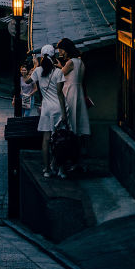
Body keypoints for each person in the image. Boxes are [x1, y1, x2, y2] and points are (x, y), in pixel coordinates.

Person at [56, 38, 90, 170]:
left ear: (66, 49)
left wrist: (59, 67)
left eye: (61, 50)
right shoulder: (80, 62)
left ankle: (67, 160)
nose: (61, 53)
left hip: (70, 93)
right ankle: (79, 161)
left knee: (70, 125)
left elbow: (59, 75)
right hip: (79, 92)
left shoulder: (70, 62)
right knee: (79, 125)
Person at [29, 45, 63, 175]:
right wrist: (64, 114)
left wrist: (34, 66)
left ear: (42, 56)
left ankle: (47, 169)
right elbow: (60, 94)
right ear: (54, 56)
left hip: (46, 108)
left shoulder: (38, 71)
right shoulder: (58, 72)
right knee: (60, 139)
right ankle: (60, 168)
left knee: (46, 139)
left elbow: (27, 81)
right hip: (58, 108)